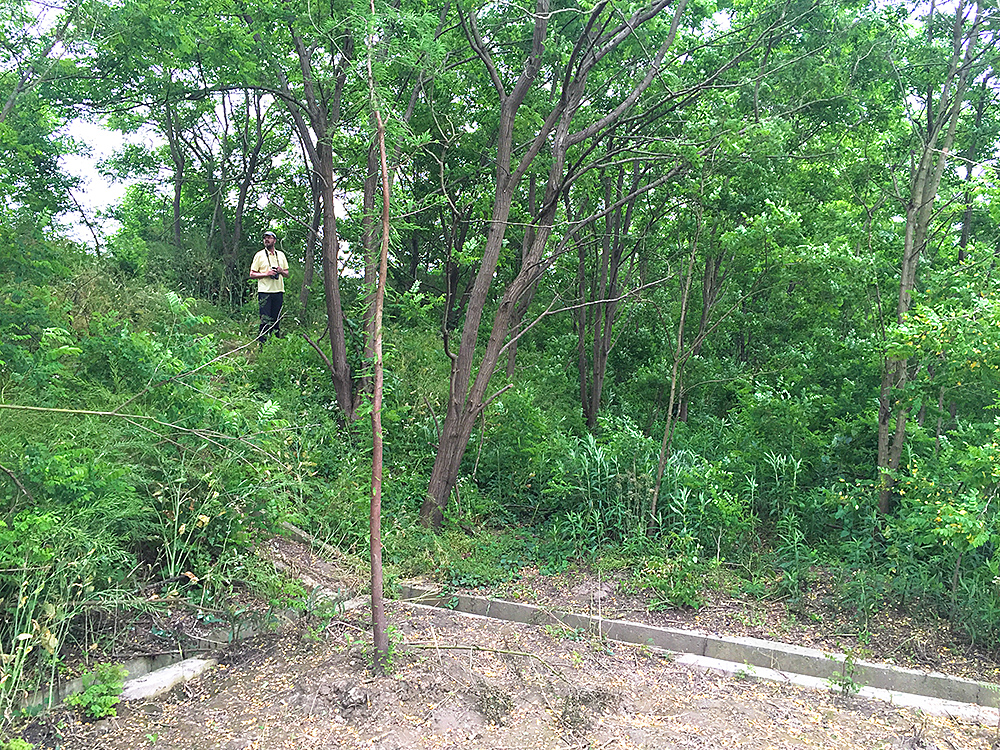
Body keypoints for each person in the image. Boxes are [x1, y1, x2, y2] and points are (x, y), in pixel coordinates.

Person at [249, 230, 289, 345]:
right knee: (265, 320)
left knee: (276, 319)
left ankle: (275, 343)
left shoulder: (280, 255)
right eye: (265, 238)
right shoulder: (259, 255)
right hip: (265, 292)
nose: (266, 240)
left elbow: (287, 274)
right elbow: (252, 274)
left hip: (278, 291)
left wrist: (280, 271)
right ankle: (262, 344)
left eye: (269, 238)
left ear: (274, 240)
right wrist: (266, 274)